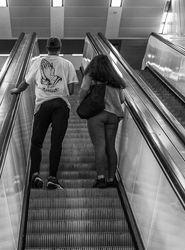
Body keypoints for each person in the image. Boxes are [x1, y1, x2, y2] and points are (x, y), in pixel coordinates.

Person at [10, 37, 78, 189]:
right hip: (61, 106)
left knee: (36, 141)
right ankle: (53, 178)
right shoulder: (67, 64)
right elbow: (72, 90)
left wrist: (16, 90)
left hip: (42, 105)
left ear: (46, 48)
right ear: (60, 48)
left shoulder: (38, 62)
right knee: (56, 143)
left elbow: (25, 83)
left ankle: (35, 175)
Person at [79, 55, 126, 188]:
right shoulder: (115, 79)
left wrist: (81, 103)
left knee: (99, 146)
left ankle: (101, 179)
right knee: (110, 147)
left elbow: (83, 89)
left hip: (97, 115)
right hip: (114, 116)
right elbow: (122, 100)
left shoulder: (91, 75)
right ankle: (111, 179)